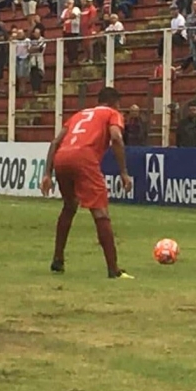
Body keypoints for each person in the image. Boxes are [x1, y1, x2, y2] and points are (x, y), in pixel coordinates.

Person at [40, 87, 134, 279]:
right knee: (100, 212)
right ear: (114, 102)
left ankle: (58, 259)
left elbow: (55, 142)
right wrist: (124, 172)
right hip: (84, 158)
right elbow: (116, 137)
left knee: (69, 206)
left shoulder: (79, 114)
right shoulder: (112, 113)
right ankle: (113, 269)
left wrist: (46, 174)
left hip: (62, 158)